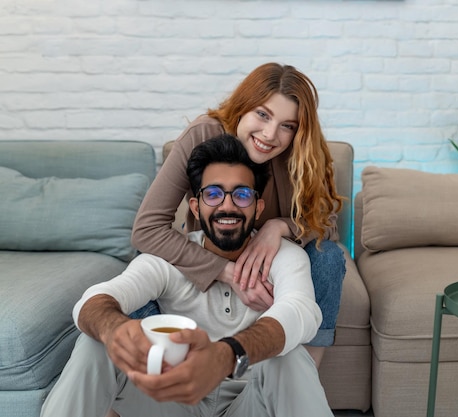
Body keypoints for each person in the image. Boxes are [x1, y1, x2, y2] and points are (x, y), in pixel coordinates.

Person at [40, 134, 333, 417]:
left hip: (250, 403)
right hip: (173, 403)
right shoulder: (171, 259)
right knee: (96, 342)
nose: (227, 206)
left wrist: (225, 356)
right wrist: (114, 330)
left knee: (290, 356)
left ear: (258, 208)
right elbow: (95, 299)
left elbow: (300, 310)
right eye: (214, 194)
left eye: (241, 194)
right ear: (196, 206)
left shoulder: (284, 256)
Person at [131, 62, 346, 366]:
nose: (271, 135)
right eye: (263, 114)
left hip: (272, 266)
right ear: (242, 107)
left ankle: (306, 373)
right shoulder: (203, 134)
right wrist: (227, 273)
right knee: (138, 276)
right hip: (211, 258)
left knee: (329, 257)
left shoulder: (304, 153)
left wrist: (278, 227)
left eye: (288, 125)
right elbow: (146, 230)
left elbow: (328, 224)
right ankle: (165, 376)